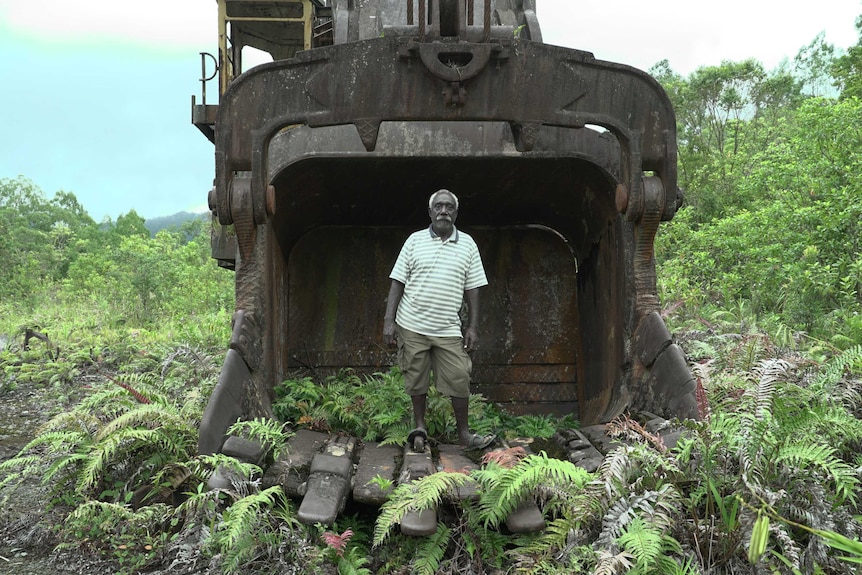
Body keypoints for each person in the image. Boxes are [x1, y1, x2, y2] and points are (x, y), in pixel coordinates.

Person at [383, 189, 495, 451]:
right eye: (438, 206)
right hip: (412, 324)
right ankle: (419, 427)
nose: (443, 211)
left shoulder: (467, 244)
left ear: (456, 213)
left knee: (459, 376)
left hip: (447, 328)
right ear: (430, 212)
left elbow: (474, 288)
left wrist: (473, 326)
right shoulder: (414, 241)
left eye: (449, 207)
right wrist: (389, 321)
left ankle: (464, 436)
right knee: (416, 378)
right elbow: (397, 282)